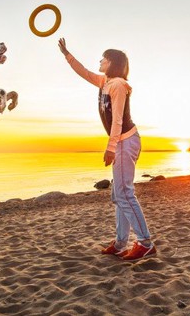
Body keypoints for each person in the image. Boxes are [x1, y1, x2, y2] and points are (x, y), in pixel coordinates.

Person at [58, 38, 156, 261]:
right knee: (118, 194)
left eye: (104, 58)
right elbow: (83, 72)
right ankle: (121, 243)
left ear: (112, 62)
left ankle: (145, 243)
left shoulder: (119, 85)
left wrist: (111, 148)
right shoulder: (105, 82)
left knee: (124, 194)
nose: (100, 61)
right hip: (122, 142)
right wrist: (67, 55)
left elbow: (118, 120)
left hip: (125, 141)